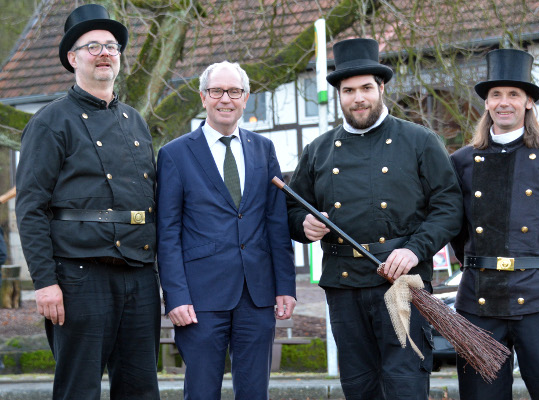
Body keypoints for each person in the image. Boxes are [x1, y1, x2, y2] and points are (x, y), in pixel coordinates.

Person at [286, 38, 463, 399]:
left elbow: (448, 207)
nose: (358, 98)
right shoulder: (317, 150)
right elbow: (292, 209)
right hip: (344, 287)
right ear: (339, 94)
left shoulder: (419, 141)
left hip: (403, 284)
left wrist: (415, 249)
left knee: (406, 385)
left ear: (381, 88)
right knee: (358, 386)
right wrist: (304, 225)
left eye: (366, 88)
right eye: (348, 90)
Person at [15, 4, 160, 399]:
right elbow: (30, 208)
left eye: (111, 46)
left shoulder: (135, 121)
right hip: (78, 277)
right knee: (78, 390)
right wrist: (45, 283)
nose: (104, 53)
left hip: (139, 273)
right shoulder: (49, 122)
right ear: (72, 58)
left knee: (141, 389)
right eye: (92, 45)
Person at [450, 48, 539, 400]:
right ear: (486, 103)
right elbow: (456, 229)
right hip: (478, 301)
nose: (504, 102)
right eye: (495, 94)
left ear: (528, 102)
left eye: (513, 94)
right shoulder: (462, 162)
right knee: (480, 395)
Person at [156, 61, 296, 400]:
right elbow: (167, 232)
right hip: (200, 300)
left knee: (254, 392)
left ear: (245, 98)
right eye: (217, 91)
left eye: (234, 92)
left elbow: (276, 223)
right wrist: (175, 296)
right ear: (203, 97)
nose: (225, 99)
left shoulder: (263, 149)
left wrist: (285, 286)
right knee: (202, 392)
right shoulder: (174, 154)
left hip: (258, 294)